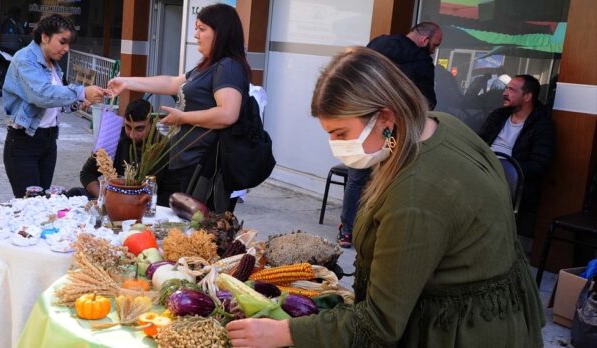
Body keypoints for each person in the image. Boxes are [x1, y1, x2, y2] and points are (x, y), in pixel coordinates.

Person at [226, 47, 544, 347]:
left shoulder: (415, 195)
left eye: (340, 133)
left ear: (386, 119)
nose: (334, 145)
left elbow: (379, 325)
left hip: (463, 333)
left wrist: (285, 333)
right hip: (499, 316)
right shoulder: (440, 125)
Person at [106, 3, 250, 213]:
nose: (196, 35)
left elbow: (227, 114)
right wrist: (127, 82)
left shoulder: (228, 67)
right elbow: (173, 83)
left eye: (202, 29)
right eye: (196, 28)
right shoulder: (207, 66)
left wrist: (183, 118)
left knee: (193, 230)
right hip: (185, 162)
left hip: (202, 167)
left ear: (221, 32)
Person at [335, 22, 443, 248]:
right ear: (424, 40)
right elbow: (428, 101)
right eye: (434, 45)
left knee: (357, 178)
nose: (434, 50)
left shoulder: (378, 44)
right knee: (387, 178)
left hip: (362, 121)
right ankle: (373, 230)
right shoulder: (423, 62)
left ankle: (347, 230)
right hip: (394, 127)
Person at [2, 14, 105, 198]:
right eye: (62, 41)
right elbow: (41, 95)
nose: (66, 49)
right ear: (45, 37)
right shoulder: (25, 58)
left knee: (43, 204)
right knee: (30, 206)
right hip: (24, 142)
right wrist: (82, 92)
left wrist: (77, 103)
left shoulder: (53, 64)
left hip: (48, 142)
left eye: (69, 44)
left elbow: (54, 103)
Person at [478, 74, 555, 238]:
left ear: (527, 96)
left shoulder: (542, 125)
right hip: (483, 171)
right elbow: (477, 144)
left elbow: (539, 165)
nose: (504, 93)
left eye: (511, 90)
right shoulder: (498, 115)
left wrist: (504, 168)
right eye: (506, 88)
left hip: (508, 181)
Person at [66, 98, 168, 203]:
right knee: (73, 195)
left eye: (139, 129)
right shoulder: (114, 139)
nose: (132, 135)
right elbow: (87, 173)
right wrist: (105, 199)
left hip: (149, 206)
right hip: (114, 202)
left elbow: (171, 191)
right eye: (128, 127)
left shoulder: (165, 147)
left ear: (153, 123)